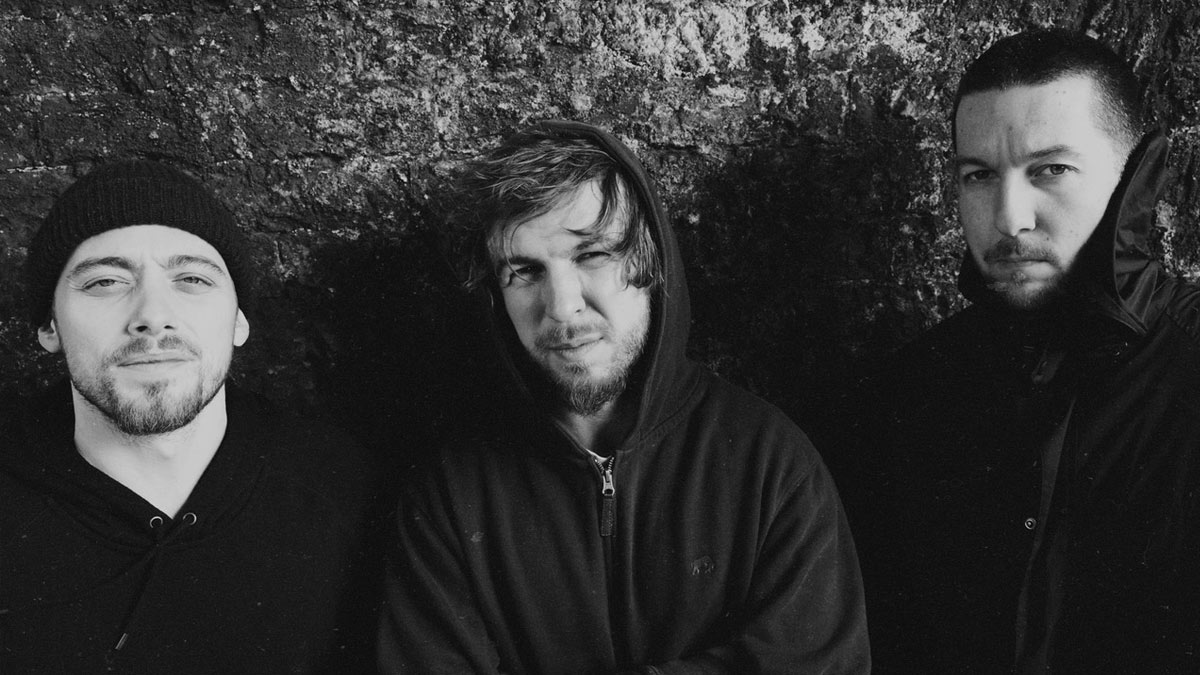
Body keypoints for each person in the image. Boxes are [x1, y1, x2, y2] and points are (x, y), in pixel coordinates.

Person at [377, 120, 870, 673]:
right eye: (525, 271)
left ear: (651, 262)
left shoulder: (771, 466)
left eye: (593, 254)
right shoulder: (451, 493)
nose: (562, 306)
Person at [842, 28, 1200, 672]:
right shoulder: (909, 392)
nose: (1010, 219)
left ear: (1136, 176)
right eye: (979, 175)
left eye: (1051, 170)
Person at [0, 160, 378, 673]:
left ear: (239, 320)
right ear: (49, 326)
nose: (153, 316)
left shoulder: (340, 487)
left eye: (193, 279)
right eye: (105, 281)